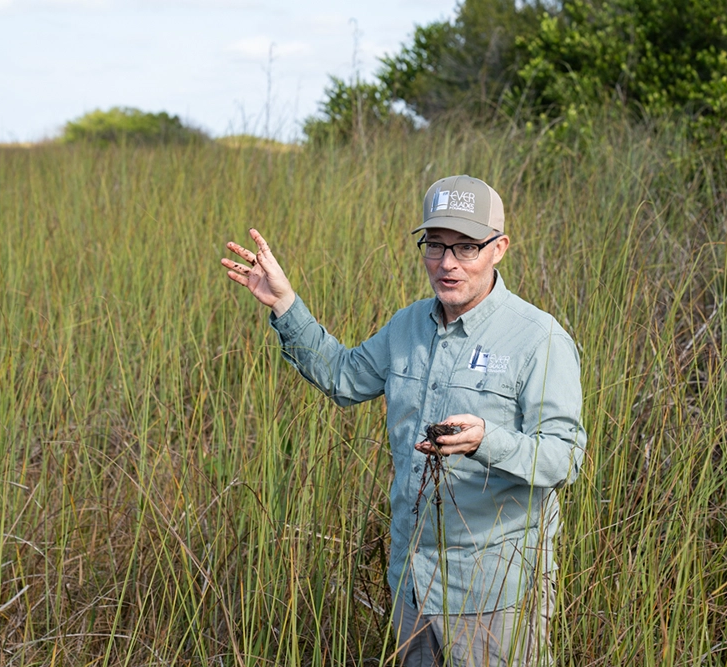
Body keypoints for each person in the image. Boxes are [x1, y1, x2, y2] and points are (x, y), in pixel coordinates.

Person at [221, 175, 586, 666]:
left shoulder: (539, 338)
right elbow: (344, 379)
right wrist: (286, 304)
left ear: (499, 248)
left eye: (467, 248)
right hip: (412, 584)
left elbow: (565, 457)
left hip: (494, 596)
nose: (448, 263)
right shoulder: (407, 324)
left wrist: (487, 441)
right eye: (435, 246)